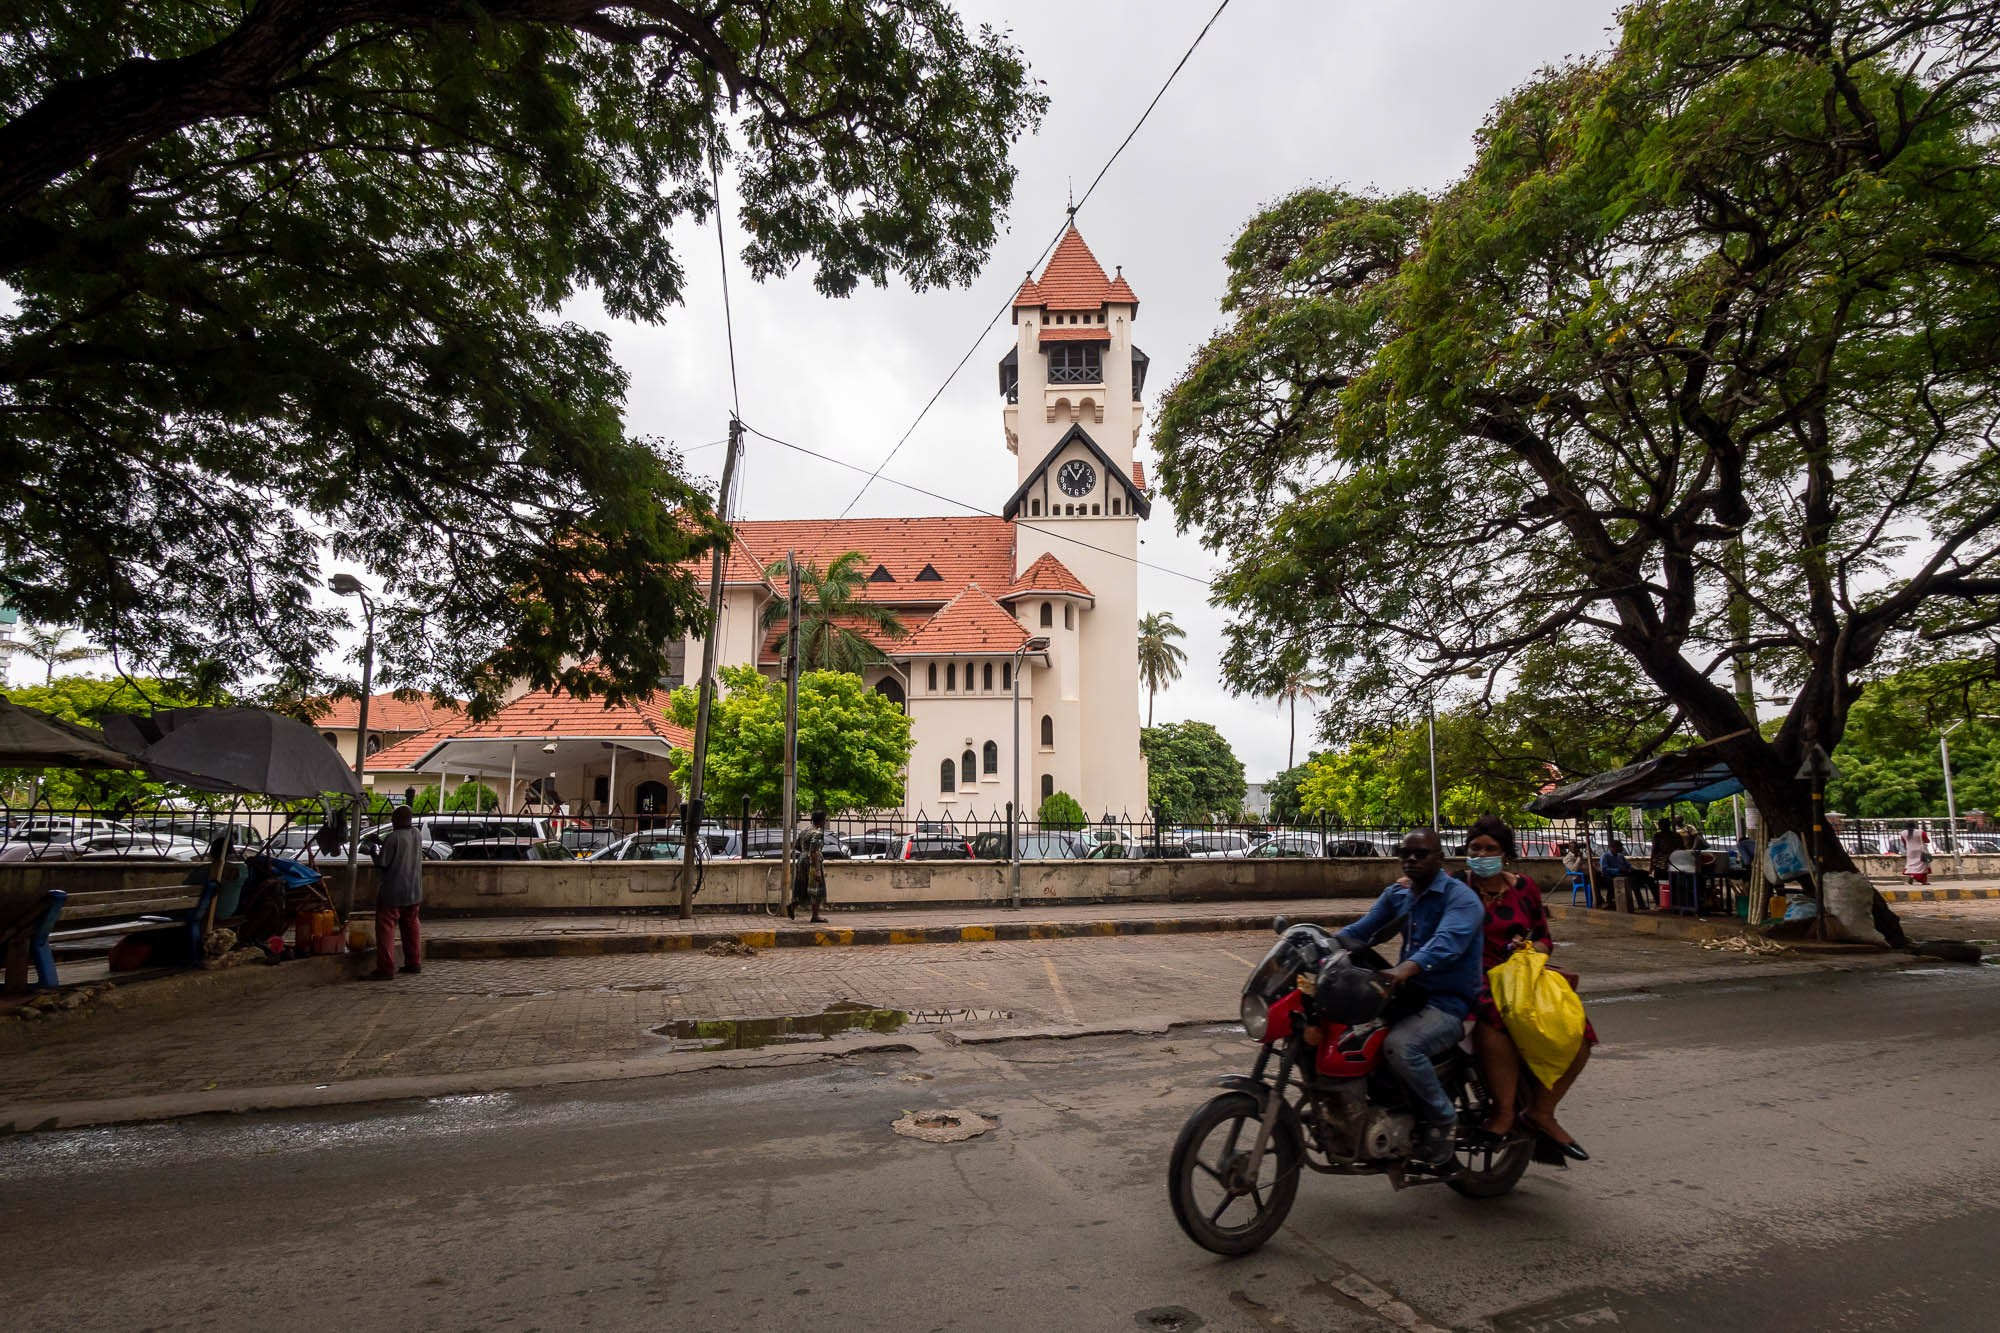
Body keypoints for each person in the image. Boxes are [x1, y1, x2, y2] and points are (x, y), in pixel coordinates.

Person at [1334, 828, 1484, 1168]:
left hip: (1451, 1002)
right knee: (1350, 1036)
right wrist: (1321, 946)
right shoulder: (1399, 894)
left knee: (1401, 1046)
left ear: (1440, 858)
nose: (1411, 860)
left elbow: (1447, 942)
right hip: (1409, 996)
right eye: (1406, 854)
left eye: (1421, 854)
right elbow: (1363, 931)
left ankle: (1445, 1121)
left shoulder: (1460, 898)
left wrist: (1407, 968)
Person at [1459, 814, 1594, 1162]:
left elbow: (1544, 937)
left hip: (1524, 974)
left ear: (1505, 853)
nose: (1482, 853)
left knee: (1577, 1032)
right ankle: (1504, 1111)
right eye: (1476, 847)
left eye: (1490, 848)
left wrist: (1530, 951)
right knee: (1495, 1021)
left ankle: (1541, 1111)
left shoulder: (1525, 888)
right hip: (1478, 978)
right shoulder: (1456, 887)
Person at [367, 806, 424, 979]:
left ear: (397, 820)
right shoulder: (416, 834)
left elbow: (383, 863)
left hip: (393, 890)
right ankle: (413, 962)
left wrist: (371, 852)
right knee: (411, 925)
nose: (391, 822)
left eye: (393, 819)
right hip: (414, 890)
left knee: (386, 929)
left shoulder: (393, 837)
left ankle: (386, 969)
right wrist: (381, 842)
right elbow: (401, 849)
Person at [789, 810, 829, 924]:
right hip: (812, 862)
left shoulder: (805, 830)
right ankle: (815, 915)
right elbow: (814, 852)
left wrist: (804, 853)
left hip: (802, 860)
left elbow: (796, 845)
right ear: (821, 821)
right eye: (825, 819)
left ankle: (793, 905)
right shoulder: (817, 833)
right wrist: (817, 870)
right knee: (817, 888)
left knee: (803, 886)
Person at [1647, 818, 1680, 909]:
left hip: (1662, 864)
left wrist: (1651, 866)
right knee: (1673, 883)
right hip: (1676, 862)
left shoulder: (1658, 836)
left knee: (1661, 883)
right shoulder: (1676, 835)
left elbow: (1654, 851)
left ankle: (1662, 902)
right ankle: (1673, 902)